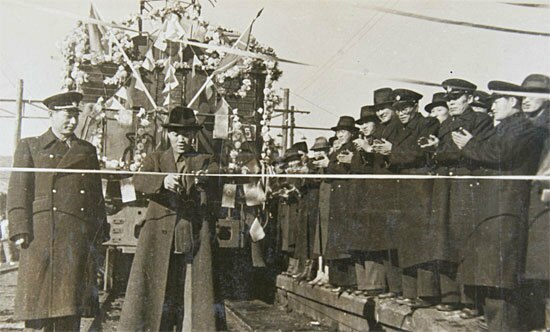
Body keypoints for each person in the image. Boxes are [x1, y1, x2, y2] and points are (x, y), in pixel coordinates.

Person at [7, 91, 106, 331]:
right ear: (51, 115)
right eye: (66, 115)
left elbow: (95, 196)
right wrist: (20, 228)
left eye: (75, 115)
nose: (72, 121)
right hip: (41, 235)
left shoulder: (86, 150)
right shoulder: (31, 146)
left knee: (70, 307)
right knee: (39, 305)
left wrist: (100, 231)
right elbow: (19, 189)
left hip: (76, 237)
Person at [451, 80, 544, 331]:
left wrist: (469, 145)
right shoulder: (508, 127)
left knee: (499, 275)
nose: (492, 107)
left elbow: (500, 153)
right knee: (493, 275)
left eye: (497, 101)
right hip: (497, 205)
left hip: (507, 206)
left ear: (512, 102)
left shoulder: (523, 127)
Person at [119, 106, 219, 331]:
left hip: (192, 235)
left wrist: (202, 178)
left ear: (193, 135)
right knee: (157, 288)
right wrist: (162, 181)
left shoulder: (204, 159)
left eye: (187, 134)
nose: (181, 139)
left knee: (189, 288)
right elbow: (139, 181)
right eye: (176, 134)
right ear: (169, 134)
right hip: (159, 235)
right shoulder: (156, 158)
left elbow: (218, 174)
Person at [520, 73, 550, 330]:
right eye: (523, 95)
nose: (525, 100)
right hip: (528, 199)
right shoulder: (527, 123)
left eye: (533, 94)